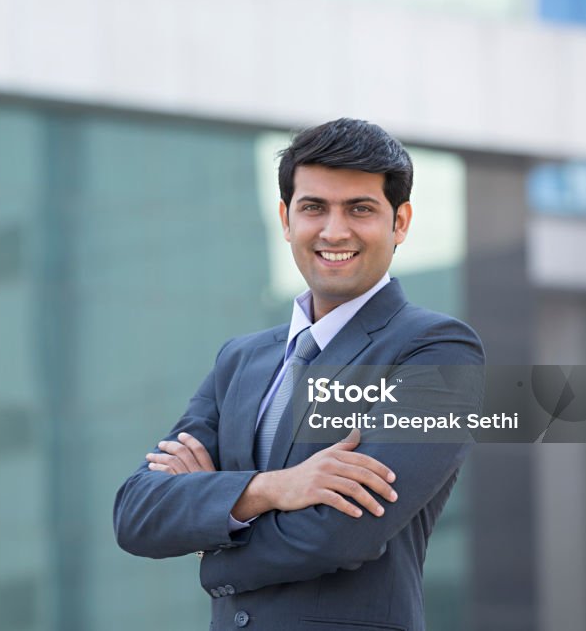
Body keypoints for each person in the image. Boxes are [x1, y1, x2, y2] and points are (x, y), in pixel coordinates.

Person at [113, 118, 484, 631]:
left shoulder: (437, 351)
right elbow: (137, 513)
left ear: (400, 222)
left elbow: (341, 534)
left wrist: (213, 535)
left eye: (360, 208)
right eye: (314, 208)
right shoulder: (240, 361)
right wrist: (272, 489)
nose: (334, 231)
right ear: (286, 219)